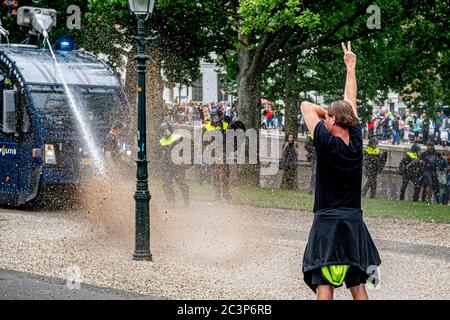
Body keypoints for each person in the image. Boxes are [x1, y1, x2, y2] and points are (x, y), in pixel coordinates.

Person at [301, 42, 381, 300]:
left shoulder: (325, 141)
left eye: (329, 119)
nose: (325, 121)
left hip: (327, 222)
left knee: (325, 283)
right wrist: (350, 66)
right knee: (357, 284)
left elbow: (306, 106)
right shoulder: (356, 140)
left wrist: (328, 115)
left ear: (333, 121)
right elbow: (351, 100)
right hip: (353, 221)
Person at [158, 122, 190, 207]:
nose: (165, 133)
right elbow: (160, 154)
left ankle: (186, 202)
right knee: (167, 184)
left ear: (170, 129)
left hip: (177, 165)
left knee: (181, 183)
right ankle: (172, 202)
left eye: (166, 130)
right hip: (167, 166)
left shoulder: (178, 137)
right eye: (163, 131)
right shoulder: (161, 142)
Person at [203, 108, 231, 200]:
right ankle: (217, 194)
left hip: (223, 152)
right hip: (212, 153)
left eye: (216, 117)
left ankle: (226, 193)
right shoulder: (206, 127)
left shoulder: (225, 125)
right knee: (216, 175)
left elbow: (231, 138)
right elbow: (203, 141)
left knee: (225, 174)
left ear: (220, 117)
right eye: (212, 117)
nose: (214, 118)